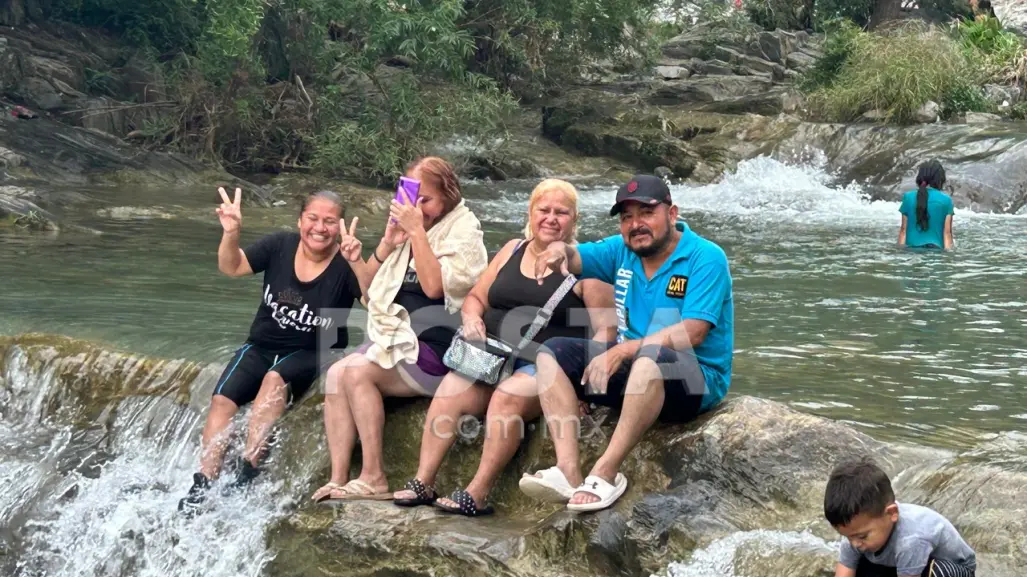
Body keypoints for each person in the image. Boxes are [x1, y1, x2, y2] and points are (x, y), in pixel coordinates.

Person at [390, 179, 618, 516]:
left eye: (562, 212)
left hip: (543, 367)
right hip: (490, 357)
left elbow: (606, 332)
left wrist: (587, 384)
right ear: (531, 212)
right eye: (544, 210)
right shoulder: (512, 249)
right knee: (451, 391)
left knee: (505, 398)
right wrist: (471, 319)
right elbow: (476, 298)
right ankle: (424, 480)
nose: (551, 218)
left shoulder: (588, 270)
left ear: (574, 219)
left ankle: (477, 492)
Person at [519, 174, 734, 512]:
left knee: (648, 359)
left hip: (696, 379)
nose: (636, 224)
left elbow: (693, 332)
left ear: (672, 213)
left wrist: (622, 349)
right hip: (636, 369)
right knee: (552, 353)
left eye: (646, 212)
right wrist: (559, 250)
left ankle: (606, 472)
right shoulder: (622, 251)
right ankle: (567, 471)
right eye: (626, 217)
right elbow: (576, 256)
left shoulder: (706, 257)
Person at [310, 156, 488, 502]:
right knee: (336, 374)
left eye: (427, 200)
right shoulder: (405, 234)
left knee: (358, 373)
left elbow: (435, 286)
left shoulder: (463, 231)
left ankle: (374, 475)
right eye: (414, 198)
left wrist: (416, 231)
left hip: (438, 349)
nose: (418, 207)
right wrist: (385, 245)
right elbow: (368, 292)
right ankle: (338, 477)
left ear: (448, 196)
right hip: (397, 339)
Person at [178, 188, 363, 513]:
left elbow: (376, 300)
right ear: (300, 220)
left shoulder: (345, 264)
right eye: (313, 218)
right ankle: (203, 483)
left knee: (274, 380)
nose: (320, 228)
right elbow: (231, 267)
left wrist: (358, 262)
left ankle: (249, 470)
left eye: (330, 222)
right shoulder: (279, 245)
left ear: (341, 227)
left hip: (317, 350)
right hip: (263, 344)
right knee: (222, 399)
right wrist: (231, 233)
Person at [824, 458, 977, 577]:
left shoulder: (912, 539)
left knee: (938, 572)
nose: (855, 543)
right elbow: (845, 570)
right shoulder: (856, 532)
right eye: (849, 537)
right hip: (900, 565)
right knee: (861, 563)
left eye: (862, 536)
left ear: (892, 514)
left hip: (949, 569)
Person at [898, 160, 954, 251]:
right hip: (936, 252)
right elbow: (947, 233)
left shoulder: (908, 197)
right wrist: (949, 256)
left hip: (911, 251)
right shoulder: (946, 200)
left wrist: (899, 251)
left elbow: (903, 230)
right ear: (940, 179)